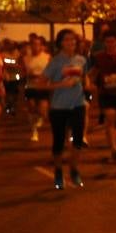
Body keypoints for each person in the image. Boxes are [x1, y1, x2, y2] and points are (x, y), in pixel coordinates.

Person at [40, 29, 89, 189]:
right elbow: (41, 84)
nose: (71, 43)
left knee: (78, 141)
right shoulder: (55, 62)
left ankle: (74, 169)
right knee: (59, 142)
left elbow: (84, 77)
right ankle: (59, 171)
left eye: (73, 40)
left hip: (77, 104)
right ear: (60, 43)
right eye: (67, 40)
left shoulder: (81, 60)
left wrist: (87, 84)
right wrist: (61, 84)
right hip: (59, 107)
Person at [88, 32, 116, 163]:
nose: (110, 44)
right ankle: (114, 149)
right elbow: (93, 72)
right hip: (105, 93)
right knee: (110, 118)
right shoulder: (99, 57)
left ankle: (115, 140)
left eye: (112, 41)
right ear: (104, 43)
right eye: (107, 42)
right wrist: (88, 82)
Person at [22, 35, 52, 142]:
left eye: (37, 44)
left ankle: (40, 120)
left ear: (41, 46)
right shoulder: (26, 58)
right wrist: (28, 75)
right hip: (30, 86)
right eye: (33, 44)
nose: (35, 46)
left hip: (43, 86)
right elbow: (23, 72)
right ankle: (34, 131)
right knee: (31, 106)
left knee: (42, 110)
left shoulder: (47, 57)